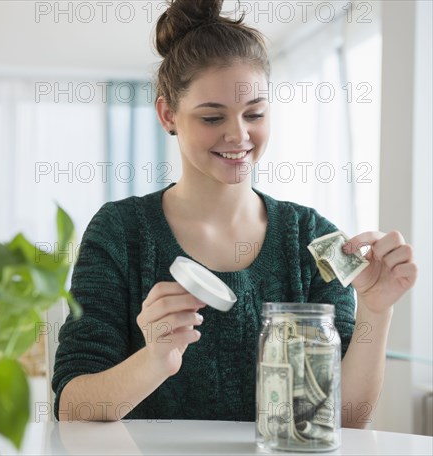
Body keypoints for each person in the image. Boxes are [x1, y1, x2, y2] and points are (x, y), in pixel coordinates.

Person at [52, 0, 417, 426]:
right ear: (168, 113)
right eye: (212, 117)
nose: (239, 135)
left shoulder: (312, 237)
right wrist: (155, 360)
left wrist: (376, 308)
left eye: (255, 114)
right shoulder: (120, 232)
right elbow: (71, 406)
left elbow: (344, 419)